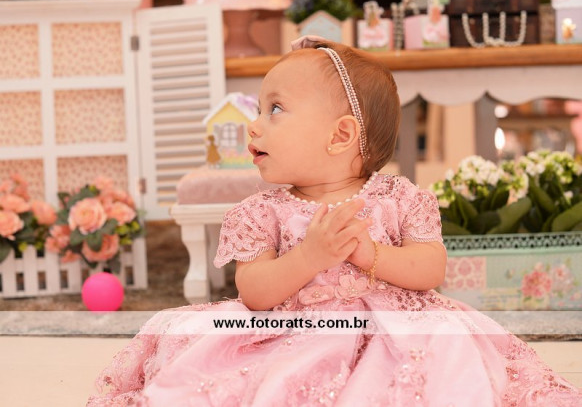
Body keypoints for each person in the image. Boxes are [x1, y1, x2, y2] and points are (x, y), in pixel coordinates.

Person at [88, 37, 582, 406]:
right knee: (250, 369)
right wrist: (309, 257)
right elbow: (254, 292)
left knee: (440, 362)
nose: (253, 126)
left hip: (396, 331)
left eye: (275, 109)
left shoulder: (398, 198)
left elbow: (431, 269)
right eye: (259, 109)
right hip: (295, 329)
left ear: (340, 135)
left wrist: (372, 255)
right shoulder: (262, 211)